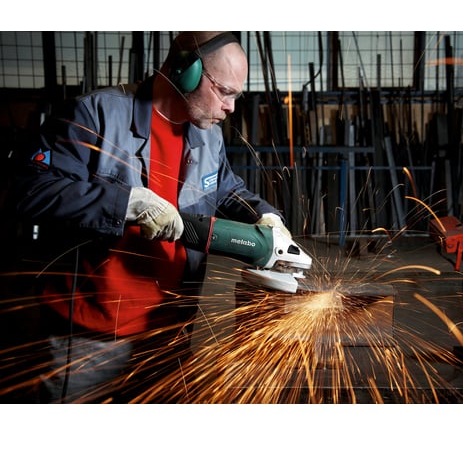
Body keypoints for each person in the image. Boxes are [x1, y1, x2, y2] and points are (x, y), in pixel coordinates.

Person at [9, 31, 292, 403]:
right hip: (90, 336)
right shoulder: (95, 114)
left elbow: (226, 188)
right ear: (186, 71)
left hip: (168, 331)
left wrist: (266, 216)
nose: (230, 108)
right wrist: (126, 203)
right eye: (224, 91)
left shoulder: (208, 134)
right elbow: (30, 191)